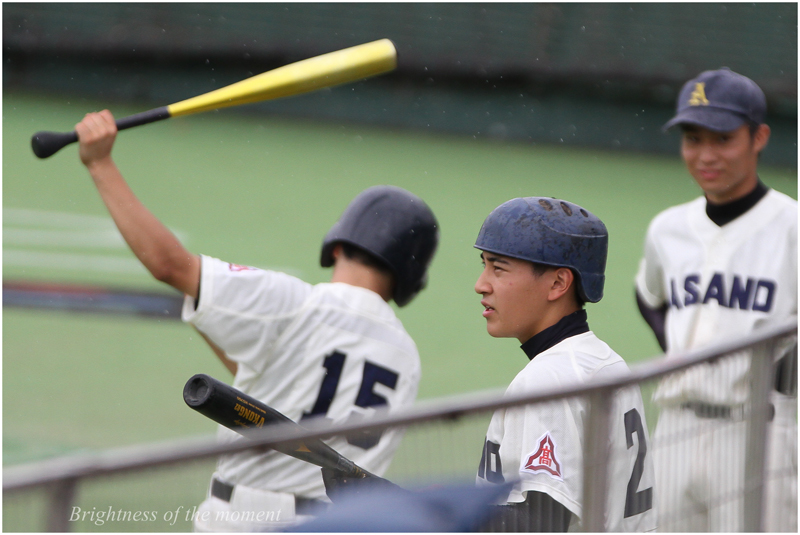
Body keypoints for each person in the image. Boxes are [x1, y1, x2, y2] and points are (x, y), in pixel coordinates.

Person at [75, 110, 439, 531]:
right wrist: (211, 317)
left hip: (245, 519)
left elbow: (169, 266)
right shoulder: (406, 356)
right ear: (409, 275)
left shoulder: (294, 303)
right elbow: (273, 384)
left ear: (337, 246)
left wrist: (100, 163)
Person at [635, 67, 797, 531]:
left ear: (758, 137)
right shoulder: (668, 228)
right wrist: (683, 354)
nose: (705, 155)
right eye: (693, 138)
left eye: (722, 139)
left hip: (761, 432)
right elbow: (648, 295)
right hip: (676, 427)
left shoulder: (791, 227)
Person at [472, 197, 657, 532]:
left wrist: (440, 510)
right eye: (484, 264)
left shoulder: (551, 378)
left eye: (498, 269)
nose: (481, 284)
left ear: (558, 283)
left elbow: (541, 525)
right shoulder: (604, 363)